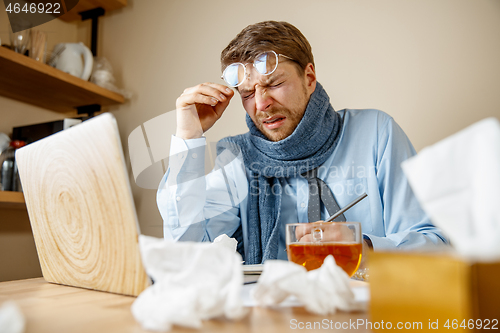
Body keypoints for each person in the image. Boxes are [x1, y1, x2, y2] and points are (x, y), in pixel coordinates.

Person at [157, 20, 448, 265]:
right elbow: (187, 255)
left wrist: (364, 246)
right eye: (247, 93)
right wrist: (189, 138)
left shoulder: (376, 133)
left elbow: (436, 245)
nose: (261, 104)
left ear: (309, 78)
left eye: (274, 84)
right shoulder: (235, 157)